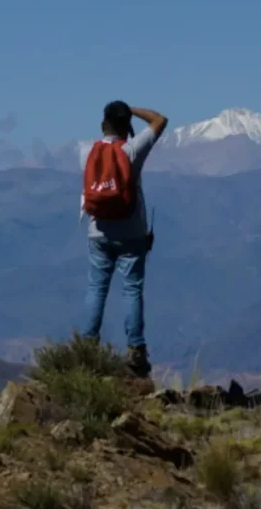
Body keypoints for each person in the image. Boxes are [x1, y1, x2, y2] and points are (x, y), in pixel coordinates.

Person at [79, 100, 168, 378]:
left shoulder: (86, 151)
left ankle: (87, 346)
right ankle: (135, 350)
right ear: (126, 125)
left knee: (96, 288)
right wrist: (133, 110)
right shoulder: (131, 150)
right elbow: (160, 120)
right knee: (131, 290)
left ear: (102, 124)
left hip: (98, 232)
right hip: (132, 233)